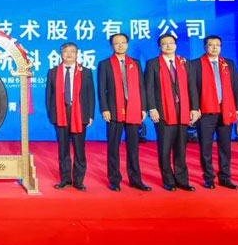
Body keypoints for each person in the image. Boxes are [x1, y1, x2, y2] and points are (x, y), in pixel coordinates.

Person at [188, 35, 238, 190]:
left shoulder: (228, 63)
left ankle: (225, 177)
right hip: (205, 112)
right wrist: (194, 108)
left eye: (217, 45)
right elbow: (192, 88)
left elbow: (236, 87)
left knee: (225, 147)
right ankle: (208, 178)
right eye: (211, 45)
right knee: (205, 147)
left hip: (226, 109)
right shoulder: (195, 64)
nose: (214, 48)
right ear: (205, 47)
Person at [145, 34, 198, 191]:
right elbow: (149, 88)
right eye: (164, 43)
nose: (168, 46)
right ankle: (168, 180)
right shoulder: (153, 63)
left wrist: (194, 108)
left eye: (171, 43)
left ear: (176, 45)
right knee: (165, 148)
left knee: (181, 148)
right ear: (159, 47)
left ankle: (182, 180)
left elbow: (192, 87)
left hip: (182, 110)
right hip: (162, 111)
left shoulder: (184, 63)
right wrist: (152, 108)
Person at [97, 33, 149, 192]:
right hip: (113, 111)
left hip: (133, 109)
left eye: (123, 42)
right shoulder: (105, 64)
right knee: (113, 147)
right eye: (116, 43)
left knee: (133, 148)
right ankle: (114, 180)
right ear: (111, 46)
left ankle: (135, 179)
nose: (120, 45)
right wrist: (104, 108)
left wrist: (143, 107)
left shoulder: (135, 63)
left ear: (127, 44)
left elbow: (141, 87)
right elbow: (101, 89)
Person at [45, 42, 95, 191]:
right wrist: (51, 114)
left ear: (77, 54)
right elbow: (49, 95)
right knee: (63, 149)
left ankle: (79, 181)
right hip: (61, 113)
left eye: (72, 51)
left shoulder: (85, 71)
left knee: (79, 149)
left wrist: (90, 114)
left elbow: (90, 94)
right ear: (61, 54)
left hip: (79, 114)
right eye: (66, 51)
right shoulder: (53, 72)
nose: (69, 54)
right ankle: (65, 179)